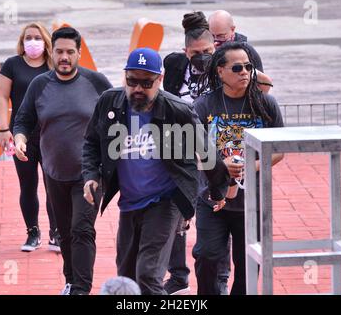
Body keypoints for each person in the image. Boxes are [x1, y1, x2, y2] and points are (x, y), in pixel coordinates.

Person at [82, 47, 230, 295]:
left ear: (159, 80)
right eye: (132, 81)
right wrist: (90, 176)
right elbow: (91, 142)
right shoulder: (109, 102)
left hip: (165, 200)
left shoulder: (177, 110)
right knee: (126, 278)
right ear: (125, 77)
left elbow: (207, 152)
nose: (138, 88)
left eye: (146, 82)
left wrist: (219, 189)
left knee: (148, 275)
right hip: (129, 202)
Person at [13, 26, 112, 295]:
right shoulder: (40, 85)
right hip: (54, 171)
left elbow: (118, 116)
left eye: (70, 52)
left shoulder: (97, 82)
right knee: (65, 234)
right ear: (51, 53)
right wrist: (20, 139)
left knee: (82, 229)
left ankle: (81, 288)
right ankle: (71, 280)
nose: (64, 57)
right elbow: (23, 119)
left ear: (79, 53)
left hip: (89, 173)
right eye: (59, 52)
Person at [193, 41, 284, 295]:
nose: (244, 72)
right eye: (237, 67)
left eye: (248, 67)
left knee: (248, 265)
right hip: (213, 198)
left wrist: (249, 167)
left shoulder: (266, 104)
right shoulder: (204, 106)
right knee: (207, 256)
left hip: (252, 203)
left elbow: (279, 151)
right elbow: (191, 153)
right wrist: (221, 167)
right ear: (220, 71)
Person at [162, 11, 231, 295]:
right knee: (174, 215)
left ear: (214, 48)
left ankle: (220, 279)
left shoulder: (225, 67)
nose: (201, 57)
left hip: (214, 153)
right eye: (195, 53)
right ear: (185, 52)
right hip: (180, 153)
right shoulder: (176, 66)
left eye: (206, 51)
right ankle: (178, 275)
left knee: (217, 213)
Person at [0, 22, 59, 252]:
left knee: (54, 185)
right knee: (27, 184)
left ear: (46, 41)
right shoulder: (12, 65)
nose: (33, 42)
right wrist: (4, 129)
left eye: (37, 37)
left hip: (51, 135)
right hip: (21, 136)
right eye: (28, 37)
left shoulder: (54, 65)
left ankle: (56, 232)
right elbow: (2, 98)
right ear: (22, 42)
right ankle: (33, 233)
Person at [208, 10, 273, 91]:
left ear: (232, 29)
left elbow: (264, 83)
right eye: (212, 36)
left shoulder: (247, 51)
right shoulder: (208, 49)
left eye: (221, 36)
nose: (216, 40)